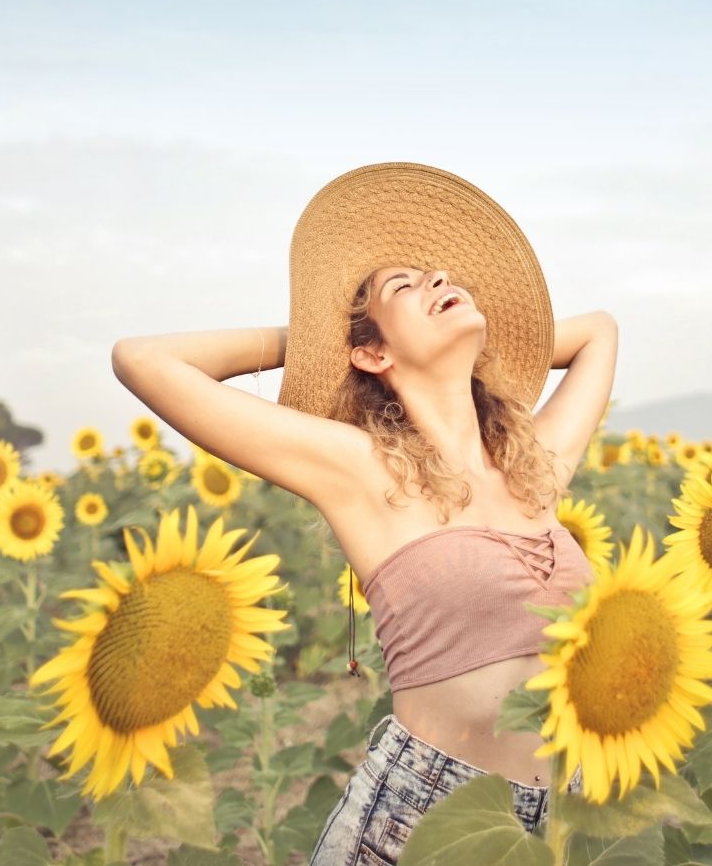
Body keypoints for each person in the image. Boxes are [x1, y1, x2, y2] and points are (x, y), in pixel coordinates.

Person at [110, 162, 619, 865]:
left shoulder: (533, 471)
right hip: (420, 816)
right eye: (405, 286)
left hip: (559, 819)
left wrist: (486, 336)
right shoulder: (360, 469)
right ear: (371, 350)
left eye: (443, 277)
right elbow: (143, 359)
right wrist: (316, 346)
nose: (440, 281)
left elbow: (599, 331)